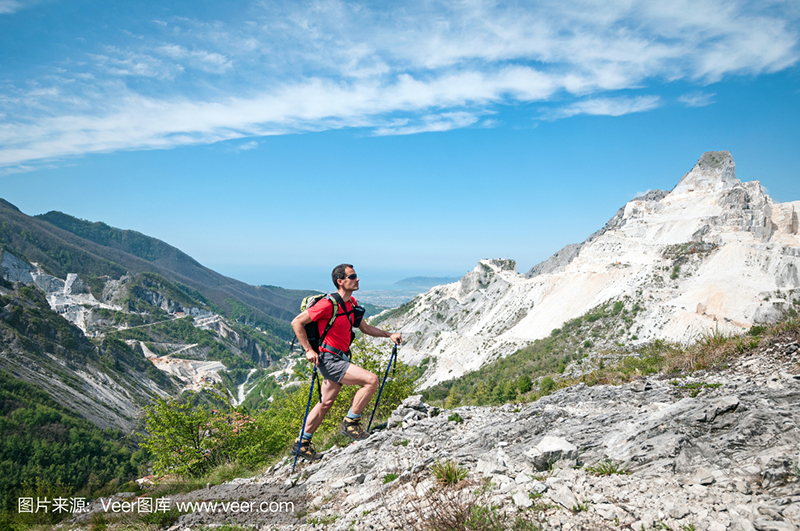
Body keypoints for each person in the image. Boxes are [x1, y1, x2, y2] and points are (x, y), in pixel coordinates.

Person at [290, 264, 402, 460]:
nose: (357, 279)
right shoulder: (327, 304)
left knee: (325, 403)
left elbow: (365, 328)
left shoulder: (351, 304)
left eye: (356, 276)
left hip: (339, 357)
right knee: (371, 380)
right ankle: (351, 423)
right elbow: (296, 322)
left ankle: (302, 443)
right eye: (353, 276)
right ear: (340, 281)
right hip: (329, 358)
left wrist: (389, 334)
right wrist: (308, 350)